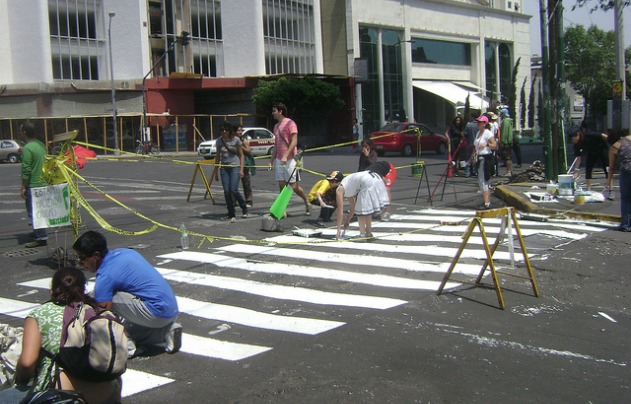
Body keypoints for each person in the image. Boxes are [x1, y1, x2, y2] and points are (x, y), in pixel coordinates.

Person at [0, 267, 120, 404]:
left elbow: (27, 363)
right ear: (83, 289)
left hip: (62, 395)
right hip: (107, 393)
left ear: (53, 289)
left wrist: (20, 382)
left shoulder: (40, 314)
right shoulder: (98, 312)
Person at [73, 230, 181, 357]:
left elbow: (104, 316)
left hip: (156, 312)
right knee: (132, 331)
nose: (81, 263)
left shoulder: (106, 275)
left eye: (83, 258)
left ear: (96, 256)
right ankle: (167, 332)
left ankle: (126, 346)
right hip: (170, 310)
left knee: (99, 299)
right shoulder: (125, 252)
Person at [268, 102, 310, 216]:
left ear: (280, 111)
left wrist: (286, 155)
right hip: (279, 160)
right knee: (281, 184)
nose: (273, 113)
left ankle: (306, 201)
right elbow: (276, 145)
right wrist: (271, 161)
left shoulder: (290, 123)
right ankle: (282, 208)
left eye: (274, 111)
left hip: (290, 159)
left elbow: (294, 141)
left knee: (293, 186)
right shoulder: (276, 126)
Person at [335, 170, 389, 240]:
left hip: (367, 181)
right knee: (367, 209)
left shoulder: (340, 188)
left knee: (361, 210)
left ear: (336, 181)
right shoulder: (348, 184)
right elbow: (352, 207)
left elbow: (340, 211)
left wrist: (338, 230)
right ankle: (369, 233)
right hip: (376, 178)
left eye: (331, 182)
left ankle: (362, 235)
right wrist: (347, 220)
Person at [20, 122, 48, 248]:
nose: (20, 133)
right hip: (43, 182)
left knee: (34, 211)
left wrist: (24, 186)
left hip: (34, 184)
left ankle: (41, 238)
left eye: (21, 131)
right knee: (40, 210)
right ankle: (38, 232)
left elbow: (26, 169)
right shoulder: (40, 145)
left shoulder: (28, 148)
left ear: (24, 133)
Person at [214, 121, 249, 221]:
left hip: (235, 167)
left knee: (233, 189)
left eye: (226, 130)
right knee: (226, 191)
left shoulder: (236, 140)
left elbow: (241, 155)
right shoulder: (219, 141)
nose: (224, 132)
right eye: (222, 130)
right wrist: (216, 171)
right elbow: (217, 157)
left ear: (229, 131)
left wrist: (241, 169)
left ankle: (244, 207)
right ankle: (231, 213)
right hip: (224, 168)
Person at [606, 129, 631, 231]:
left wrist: (609, 181)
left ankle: (626, 225)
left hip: (626, 171)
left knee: (626, 199)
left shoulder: (615, 146)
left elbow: (611, 167)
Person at [473, 115, 497, 209]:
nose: (478, 123)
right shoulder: (478, 133)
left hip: (486, 158)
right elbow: (476, 146)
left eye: (480, 122)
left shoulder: (488, 133)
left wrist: (487, 144)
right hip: (479, 157)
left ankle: (487, 203)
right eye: (478, 122)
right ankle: (486, 202)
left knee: (484, 181)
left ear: (485, 123)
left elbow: (495, 145)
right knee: (480, 180)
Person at [581, 120, 609, 191]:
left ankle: (589, 188)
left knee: (607, 169)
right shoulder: (587, 134)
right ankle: (588, 189)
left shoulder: (588, 133)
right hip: (595, 151)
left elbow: (603, 135)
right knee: (589, 169)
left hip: (601, 150)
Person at [235, 124, 253, 207]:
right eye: (238, 130)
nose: (240, 132)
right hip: (234, 164)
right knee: (233, 184)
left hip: (244, 164)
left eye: (241, 130)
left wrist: (241, 146)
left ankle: (249, 201)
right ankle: (233, 201)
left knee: (246, 184)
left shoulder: (244, 140)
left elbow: (249, 151)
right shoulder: (232, 139)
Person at [462, 113, 479, 177]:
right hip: (477, 145)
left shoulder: (468, 125)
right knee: (475, 158)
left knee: (468, 159)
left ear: (472, 117)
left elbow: (464, 134)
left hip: (469, 144)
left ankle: (468, 172)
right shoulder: (479, 126)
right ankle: (474, 171)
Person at [499, 108, 514, 177]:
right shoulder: (509, 121)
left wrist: (502, 142)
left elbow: (504, 134)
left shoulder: (505, 122)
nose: (500, 115)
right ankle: (510, 171)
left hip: (505, 142)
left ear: (503, 114)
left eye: (501, 114)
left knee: (507, 157)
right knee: (509, 157)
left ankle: (508, 171)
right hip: (509, 141)